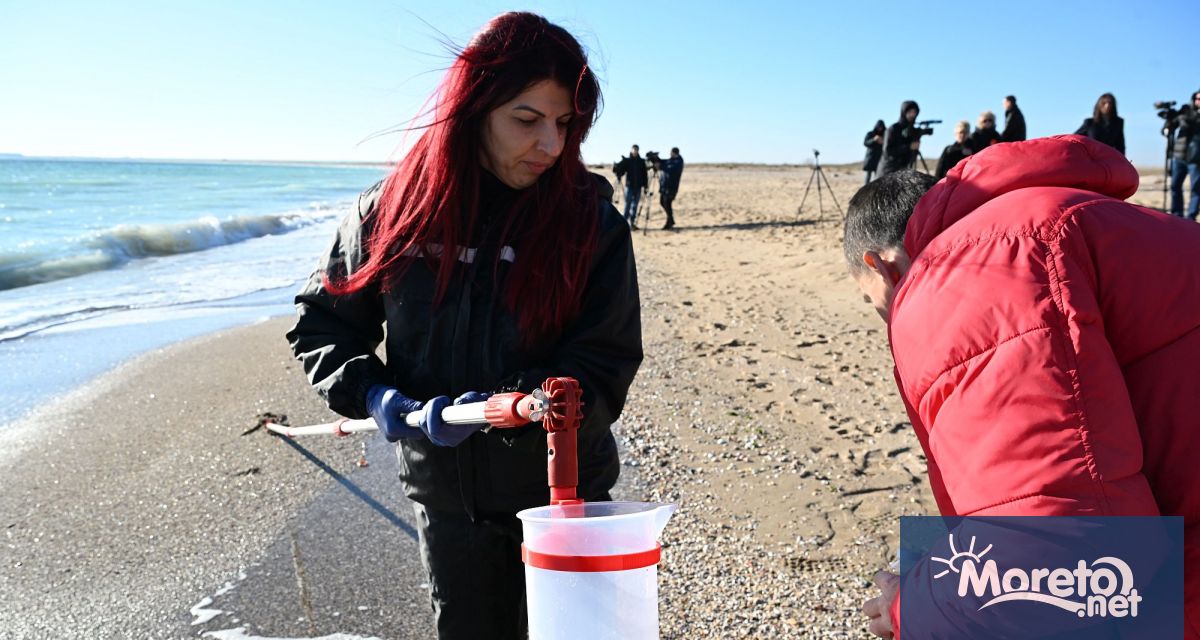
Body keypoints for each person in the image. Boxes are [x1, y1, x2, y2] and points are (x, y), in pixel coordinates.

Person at [285, 13, 643, 639]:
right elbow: (323, 323)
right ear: (473, 109)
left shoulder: (592, 225)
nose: (550, 146)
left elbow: (605, 361)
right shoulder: (394, 213)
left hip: (566, 495)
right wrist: (375, 393)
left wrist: (522, 405)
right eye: (526, 120)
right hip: (449, 501)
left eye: (564, 124)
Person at [843, 135, 1200, 638]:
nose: (886, 318)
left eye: (873, 301)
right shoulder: (1075, 215)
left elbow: (1059, 544)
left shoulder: (967, 270)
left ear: (879, 265)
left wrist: (913, 607)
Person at [1167, 89, 1200, 220]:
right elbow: (1172, 124)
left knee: (1196, 188)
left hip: (1197, 158)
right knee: (1175, 185)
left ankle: (1191, 217)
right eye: (1198, 98)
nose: (1199, 101)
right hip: (1179, 155)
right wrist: (1167, 126)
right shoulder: (1185, 110)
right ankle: (1177, 214)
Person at [879, 101, 923, 176]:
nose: (912, 115)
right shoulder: (893, 129)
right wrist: (909, 146)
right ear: (904, 112)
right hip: (888, 171)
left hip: (903, 171)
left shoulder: (912, 130)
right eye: (909, 112)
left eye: (914, 112)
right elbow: (887, 151)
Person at [614, 144, 648, 229]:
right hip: (629, 187)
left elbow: (644, 174)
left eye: (636, 150)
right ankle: (623, 224)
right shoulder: (627, 161)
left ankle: (632, 224)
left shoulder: (641, 161)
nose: (635, 151)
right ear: (631, 150)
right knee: (627, 205)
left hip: (638, 187)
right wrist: (618, 172)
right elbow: (620, 170)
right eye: (634, 149)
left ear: (638, 151)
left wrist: (645, 185)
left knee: (635, 206)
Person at [654, 147, 685, 229]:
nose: (670, 154)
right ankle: (670, 220)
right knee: (662, 202)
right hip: (664, 186)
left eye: (671, 153)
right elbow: (664, 162)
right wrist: (656, 159)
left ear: (675, 153)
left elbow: (671, 169)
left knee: (667, 204)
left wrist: (660, 166)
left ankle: (669, 222)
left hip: (671, 188)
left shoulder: (679, 162)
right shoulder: (671, 160)